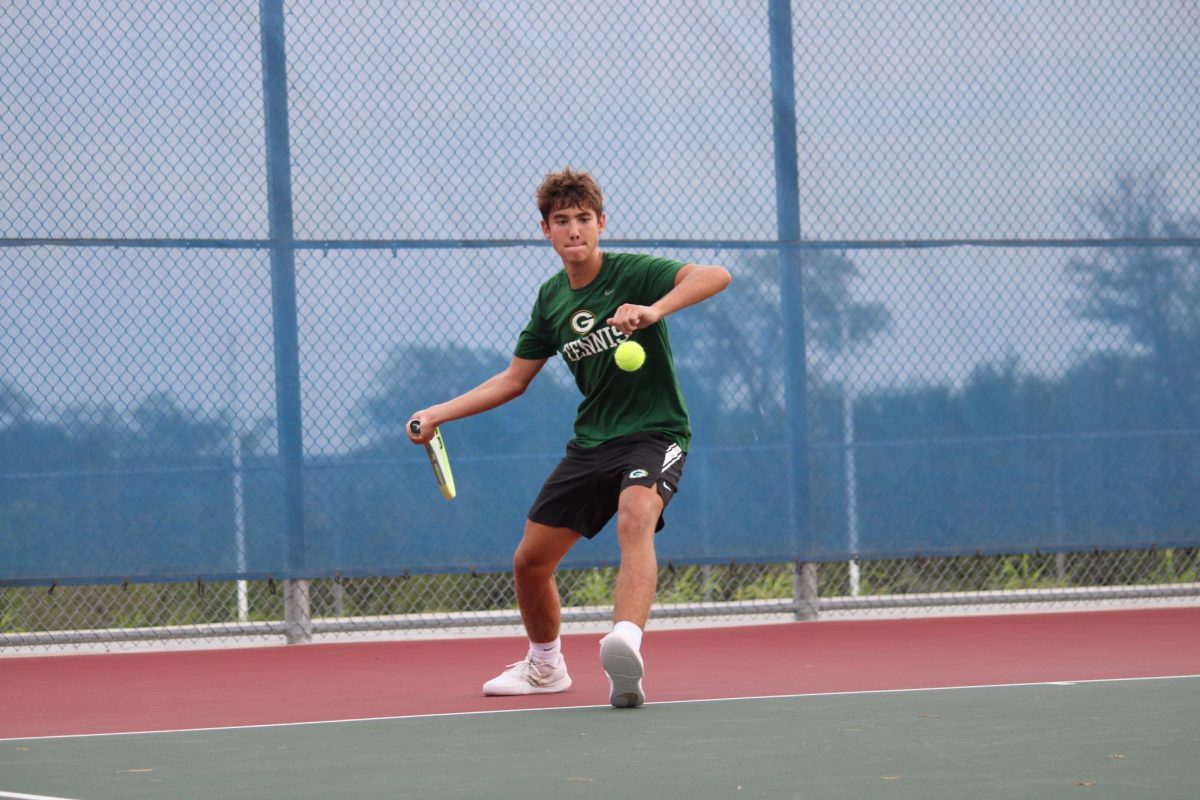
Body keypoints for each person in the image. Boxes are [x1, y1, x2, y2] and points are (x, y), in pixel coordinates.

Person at [407, 168, 730, 708]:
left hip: (655, 432)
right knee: (529, 562)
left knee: (635, 516)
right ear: (546, 231)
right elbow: (513, 379)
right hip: (592, 442)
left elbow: (715, 275)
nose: (574, 229)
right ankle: (545, 667)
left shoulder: (634, 273)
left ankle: (625, 643)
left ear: (601, 223)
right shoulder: (552, 300)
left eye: (584, 219)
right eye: (562, 221)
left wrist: (654, 309)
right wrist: (437, 413)